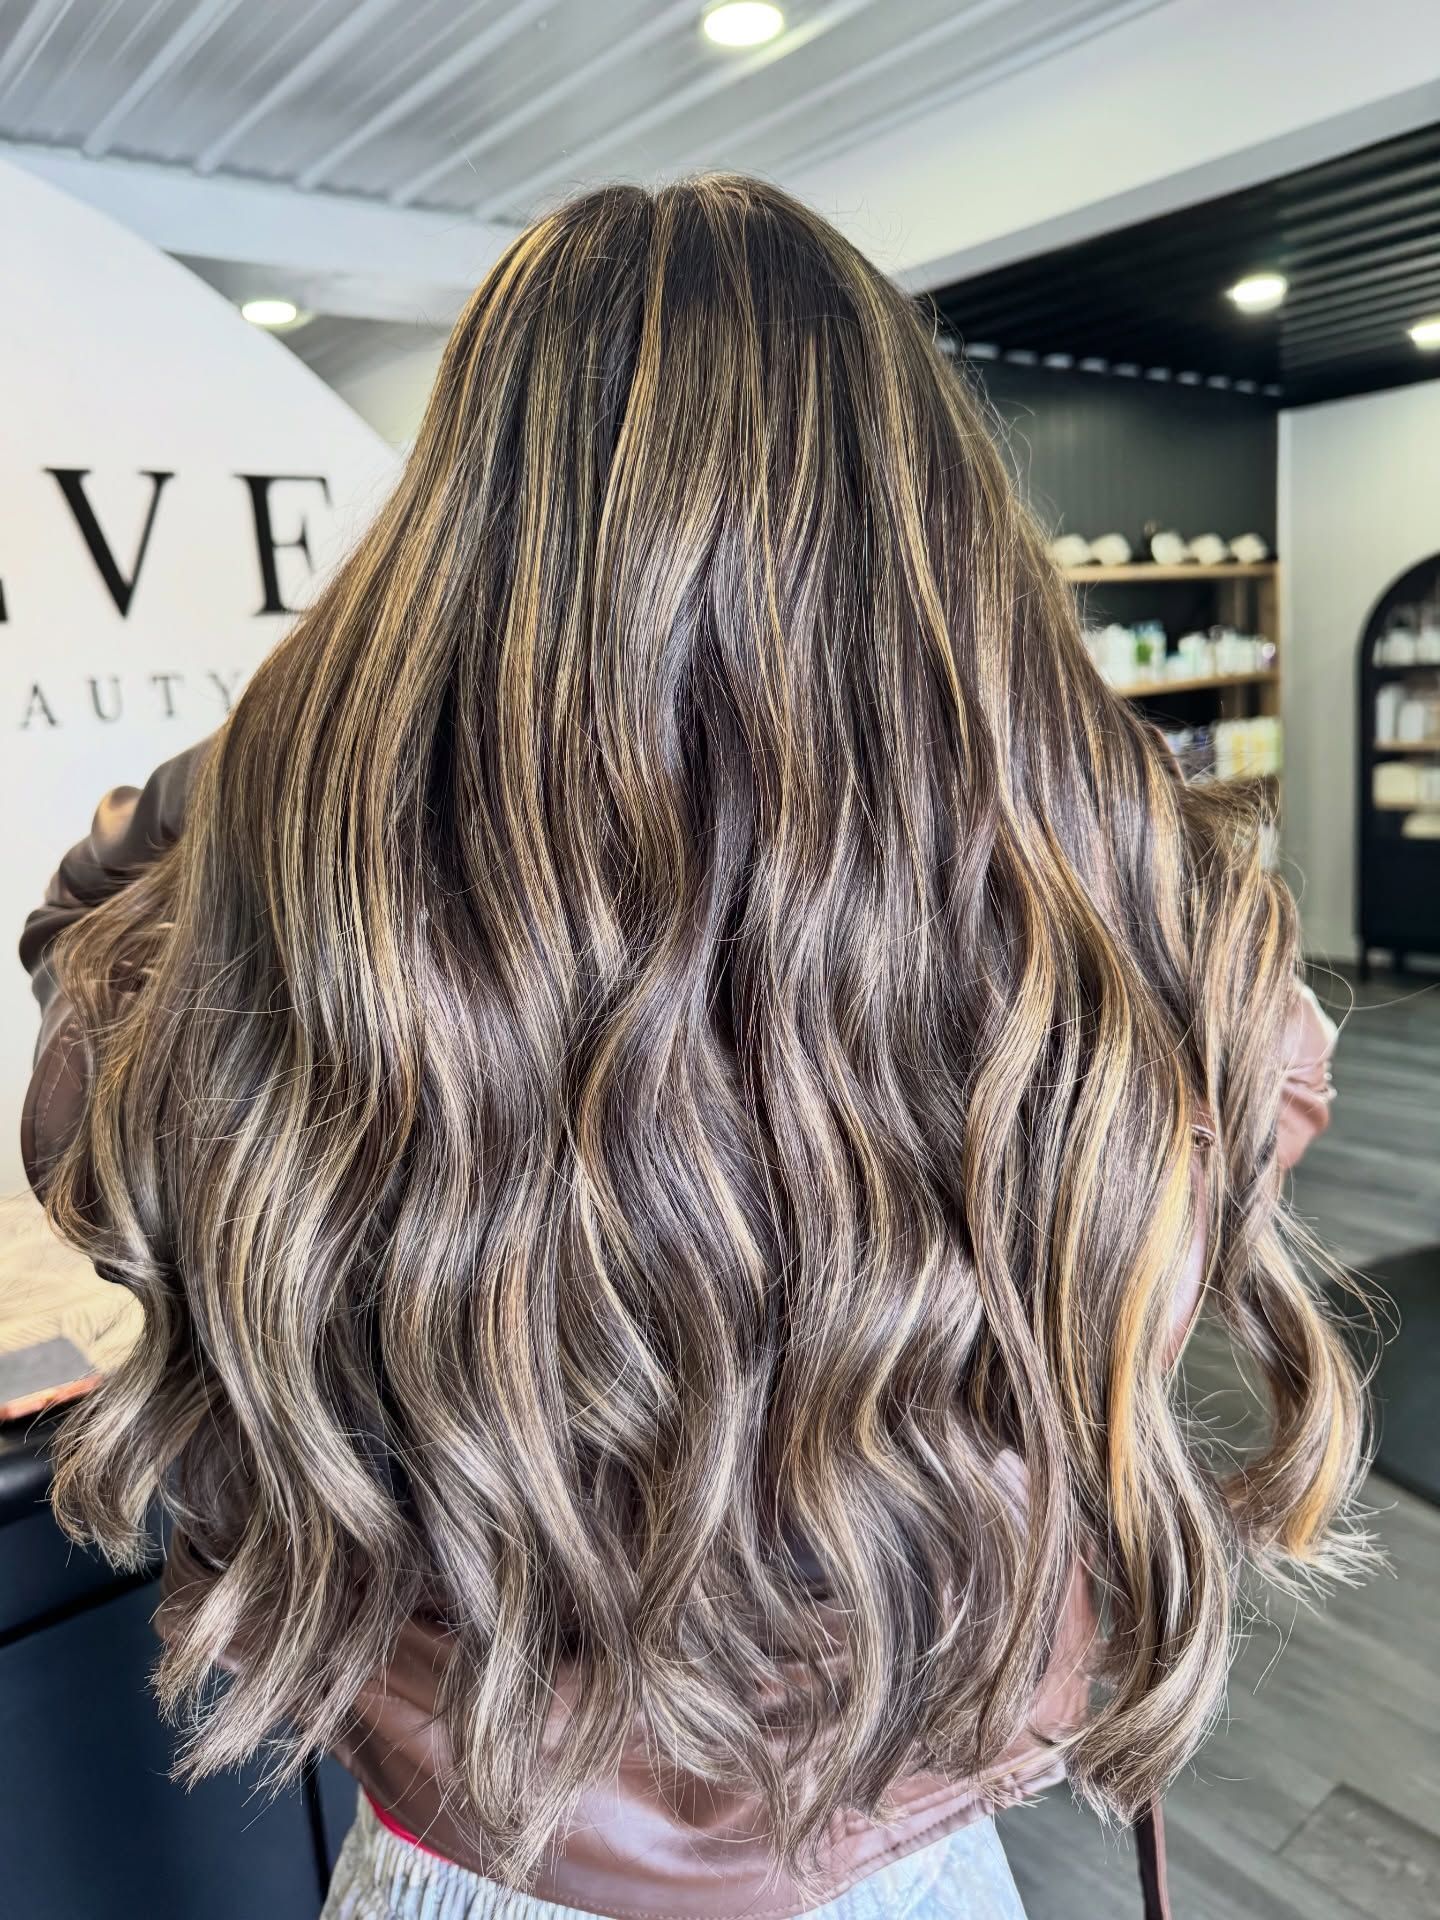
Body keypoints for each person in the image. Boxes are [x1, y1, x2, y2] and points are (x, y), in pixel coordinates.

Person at [19, 176, 1362, 1920]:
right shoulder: (1108, 931)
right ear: (925, 511)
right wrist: (1064, 791)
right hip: (903, 1822)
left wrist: (259, 781)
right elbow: (1268, 1095)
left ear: (465, 513)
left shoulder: (282, 930)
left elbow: (80, 1043)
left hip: (474, 1847)